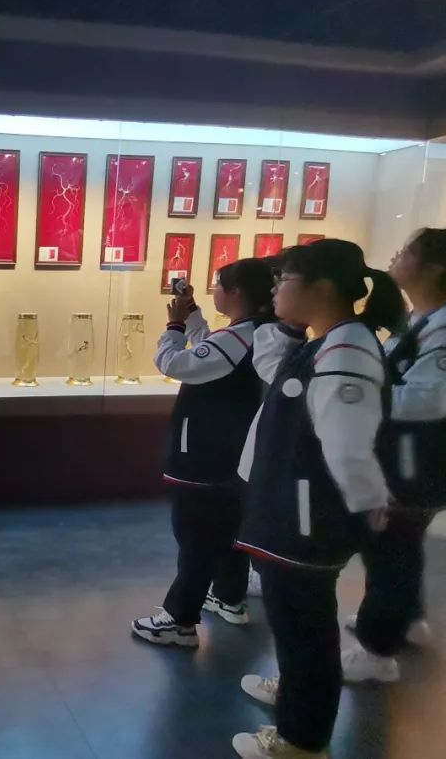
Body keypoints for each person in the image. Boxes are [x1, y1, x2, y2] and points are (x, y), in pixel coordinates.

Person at [233, 239, 405, 758]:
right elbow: (274, 373)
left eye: (285, 279)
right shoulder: (328, 341)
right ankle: (295, 693)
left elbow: (349, 448)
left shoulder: (344, 352)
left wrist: (371, 508)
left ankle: (300, 741)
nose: (275, 289)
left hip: (307, 518)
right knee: (298, 624)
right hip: (295, 510)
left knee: (304, 628)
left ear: (322, 287)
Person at [131, 259, 275, 648]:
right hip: (229, 455)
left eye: (218, 285)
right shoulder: (254, 332)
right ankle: (228, 598)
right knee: (226, 531)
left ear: (236, 293)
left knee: (195, 537)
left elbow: (175, 363)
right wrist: (192, 312)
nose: (215, 292)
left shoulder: (240, 337)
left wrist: (175, 326)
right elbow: (212, 346)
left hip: (203, 455)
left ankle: (179, 621)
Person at [342, 228, 446, 682]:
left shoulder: (441, 328)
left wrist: (362, 396)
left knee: (390, 548)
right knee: (399, 544)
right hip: (405, 456)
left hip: (415, 460)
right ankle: (404, 618)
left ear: (434, 268)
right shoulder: (421, 320)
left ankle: (377, 650)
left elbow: (427, 397)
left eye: (406, 251)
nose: (396, 256)